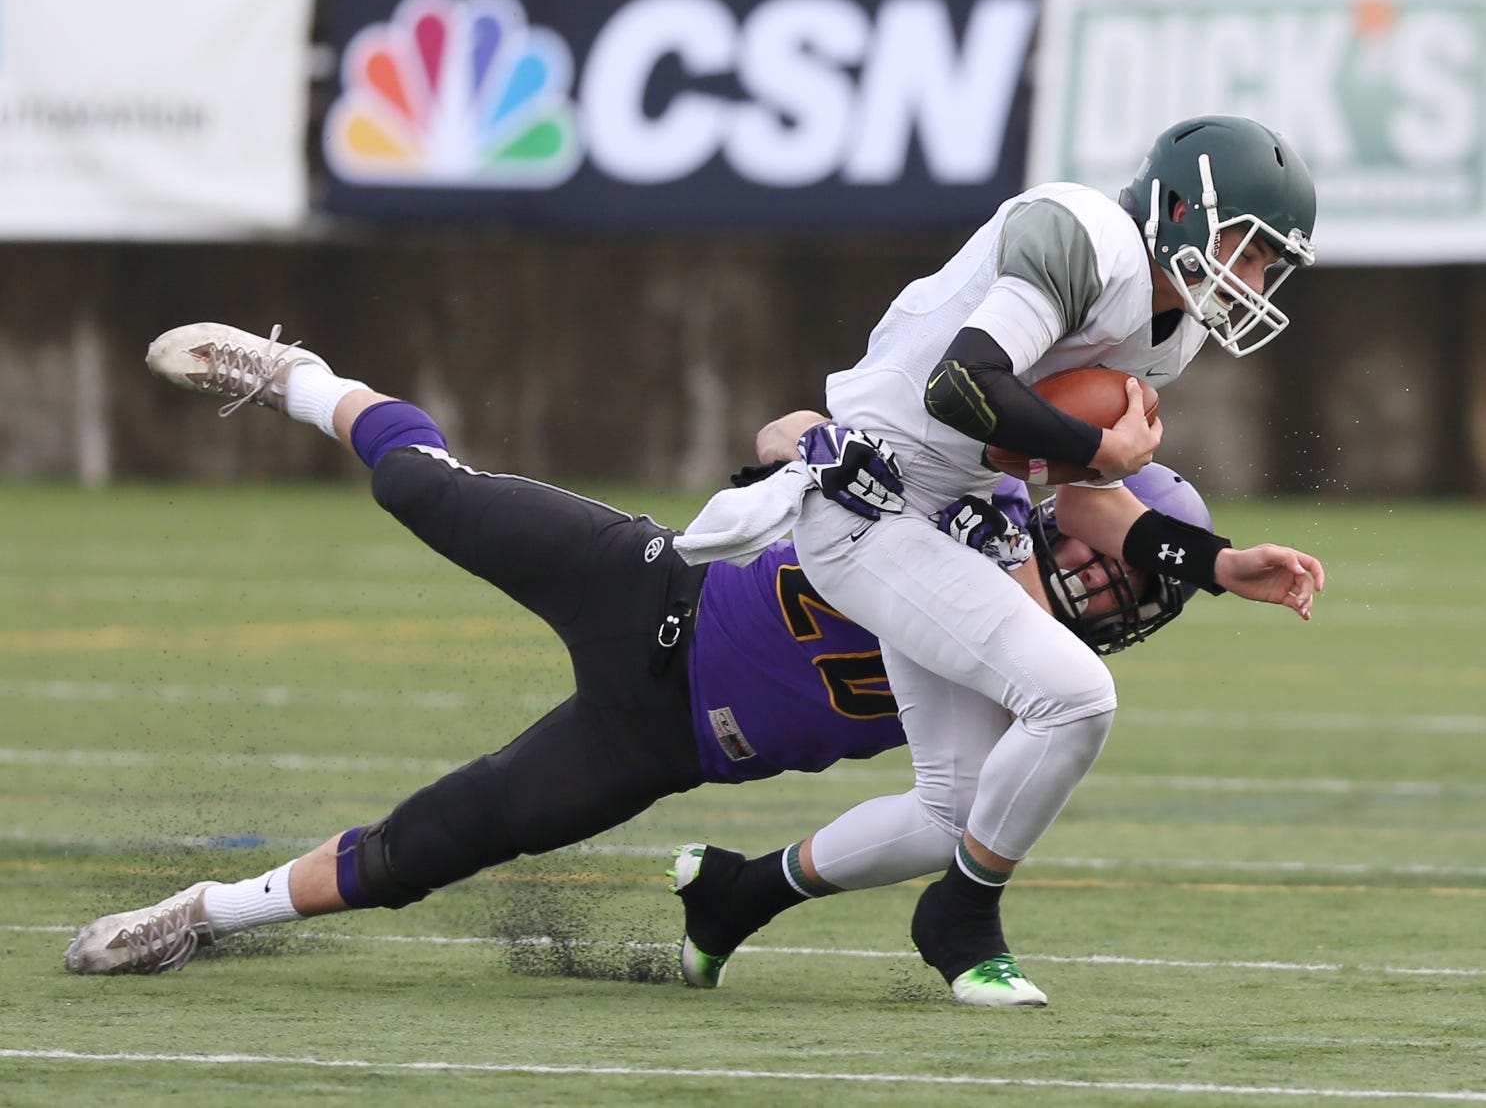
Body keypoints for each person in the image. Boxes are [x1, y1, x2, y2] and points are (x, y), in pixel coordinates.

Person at [64, 323, 1197, 976]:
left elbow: (945, 814)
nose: (1101, 583)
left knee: (422, 852)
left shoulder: (1024, 685)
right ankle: (301, 379)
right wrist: (822, 450)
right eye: (1112, 554)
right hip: (651, 590)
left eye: (1128, 586)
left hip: (657, 740)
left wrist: (774, 883)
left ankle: (205, 912)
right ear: (1075, 510)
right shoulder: (969, 495)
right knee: (419, 483)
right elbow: (786, 434)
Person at [672, 113, 1326, 1007]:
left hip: (949, 513)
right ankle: (963, 920)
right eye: (1245, 249)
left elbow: (1078, 484)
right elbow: (964, 384)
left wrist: (1215, 563)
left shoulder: (1172, 332)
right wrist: (1100, 450)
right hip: (869, 503)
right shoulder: (1080, 237)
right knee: (1075, 696)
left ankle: (733, 898)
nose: (1251, 279)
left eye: (1267, 264)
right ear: (1179, 208)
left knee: (955, 811)